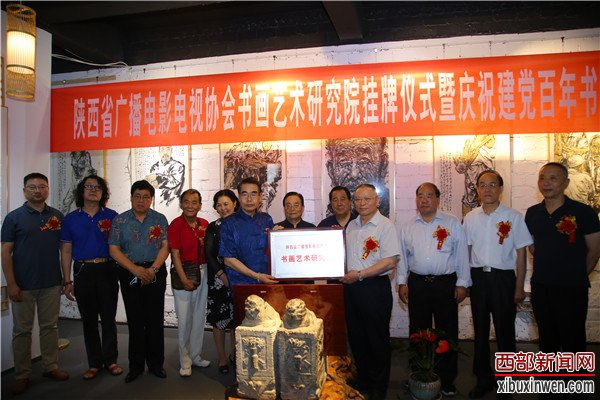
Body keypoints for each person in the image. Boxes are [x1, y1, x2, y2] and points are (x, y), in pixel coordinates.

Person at [462, 171, 533, 398]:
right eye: (482, 185)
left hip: (503, 280)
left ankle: (507, 382)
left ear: (500, 189)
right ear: (477, 189)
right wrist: (465, 281)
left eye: (492, 185)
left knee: (505, 332)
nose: (487, 189)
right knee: (480, 331)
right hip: (478, 279)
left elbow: (521, 254)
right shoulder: (470, 217)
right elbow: (467, 251)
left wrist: (519, 286)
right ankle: (483, 379)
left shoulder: (514, 217)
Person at [397, 182, 470, 397]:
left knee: (447, 331)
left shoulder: (452, 223)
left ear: (438, 199)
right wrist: (402, 282)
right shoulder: (408, 227)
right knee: (418, 332)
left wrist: (462, 283)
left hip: (445, 284)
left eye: (429, 195)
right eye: (420, 195)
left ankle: (446, 379)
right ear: (416, 199)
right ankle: (418, 375)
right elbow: (402, 258)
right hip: (418, 284)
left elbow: (461, 255)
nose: (424, 200)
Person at [1, 173, 70, 395]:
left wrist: (65, 277)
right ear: (24, 191)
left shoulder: (57, 216)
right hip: (23, 285)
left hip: (51, 283)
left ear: (47, 189)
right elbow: (5, 253)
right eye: (32, 187)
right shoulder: (14, 218)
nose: (37, 191)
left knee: (50, 327)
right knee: (22, 331)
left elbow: (64, 250)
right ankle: (22, 375)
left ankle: (51, 366)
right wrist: (11, 284)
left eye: (42, 186)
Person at [525, 162, 600, 356]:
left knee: (573, 338)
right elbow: (531, 245)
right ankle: (550, 373)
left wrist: (577, 274)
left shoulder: (584, 212)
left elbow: (594, 250)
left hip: (572, 287)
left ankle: (575, 374)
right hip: (541, 285)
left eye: (553, 178)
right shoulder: (533, 213)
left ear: (566, 183)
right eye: (542, 178)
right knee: (546, 338)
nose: (546, 183)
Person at [60, 175, 122, 380]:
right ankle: (94, 363)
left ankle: (111, 360)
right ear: (81, 191)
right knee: (88, 320)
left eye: (97, 187)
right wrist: (67, 280)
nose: (93, 190)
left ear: (103, 193)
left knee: (109, 318)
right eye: (89, 186)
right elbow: (66, 250)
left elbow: (120, 247)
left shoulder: (113, 216)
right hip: (83, 270)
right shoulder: (71, 219)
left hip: (107, 269)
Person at [341, 183, 399, 400]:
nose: (362, 203)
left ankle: (379, 386)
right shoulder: (352, 225)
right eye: (358, 199)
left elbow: (390, 261)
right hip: (351, 288)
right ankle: (364, 379)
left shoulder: (385, 226)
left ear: (377, 201)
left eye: (367, 199)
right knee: (357, 337)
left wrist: (360, 274)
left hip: (374, 288)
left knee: (377, 339)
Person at [108, 180, 170, 383]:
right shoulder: (120, 220)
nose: (141, 200)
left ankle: (156, 364)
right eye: (137, 196)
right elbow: (113, 249)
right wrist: (134, 269)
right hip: (129, 271)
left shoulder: (159, 219)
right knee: (135, 321)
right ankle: (135, 366)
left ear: (151, 199)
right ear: (131, 197)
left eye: (145, 197)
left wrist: (153, 269)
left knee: (155, 320)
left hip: (155, 271)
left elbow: (165, 246)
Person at [167, 189, 211, 377]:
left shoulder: (204, 224)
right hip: (184, 272)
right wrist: (184, 278)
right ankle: (185, 361)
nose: (190, 206)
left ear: (200, 205)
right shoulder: (176, 225)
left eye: (194, 202)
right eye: (186, 202)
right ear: (181, 204)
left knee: (199, 317)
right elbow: (174, 254)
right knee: (185, 320)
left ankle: (195, 355)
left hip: (203, 272)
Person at [219, 177, 278, 286]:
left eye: (254, 194)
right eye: (244, 194)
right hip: (241, 285)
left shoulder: (266, 219)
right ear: (239, 197)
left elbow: (273, 251)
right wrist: (257, 276)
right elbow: (228, 260)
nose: (249, 199)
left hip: (267, 282)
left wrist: (279, 237)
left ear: (260, 197)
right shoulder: (228, 223)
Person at [205, 189, 239, 374]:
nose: (223, 208)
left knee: (237, 319)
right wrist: (222, 276)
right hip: (219, 280)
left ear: (235, 203)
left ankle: (235, 354)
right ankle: (222, 358)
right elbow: (209, 255)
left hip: (240, 278)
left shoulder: (242, 224)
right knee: (219, 321)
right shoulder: (213, 227)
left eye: (226, 204)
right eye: (219, 205)